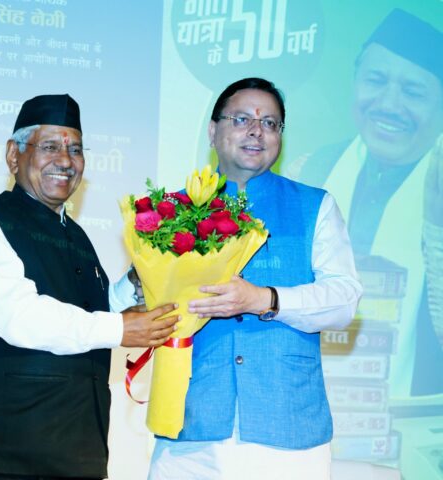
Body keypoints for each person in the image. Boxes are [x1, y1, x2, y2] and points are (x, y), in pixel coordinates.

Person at [0, 94, 179, 480]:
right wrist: (120, 328)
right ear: (13, 155)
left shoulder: (78, 235)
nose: (66, 161)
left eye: (75, 149)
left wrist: (138, 283)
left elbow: (91, 313)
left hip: (78, 452)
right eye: (50, 147)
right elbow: (18, 316)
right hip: (3, 454)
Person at [147, 78, 362, 480]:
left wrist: (264, 299)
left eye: (269, 123)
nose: (256, 131)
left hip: (288, 429)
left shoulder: (315, 205)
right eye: (242, 119)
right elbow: (126, 304)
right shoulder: (172, 213)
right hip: (191, 429)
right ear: (213, 131)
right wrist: (144, 273)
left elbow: (344, 299)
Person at [289, 8, 443, 397]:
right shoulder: (310, 170)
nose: (389, 104)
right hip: (306, 399)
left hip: (414, 415)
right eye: (375, 80)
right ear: (355, 80)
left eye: (413, 92)